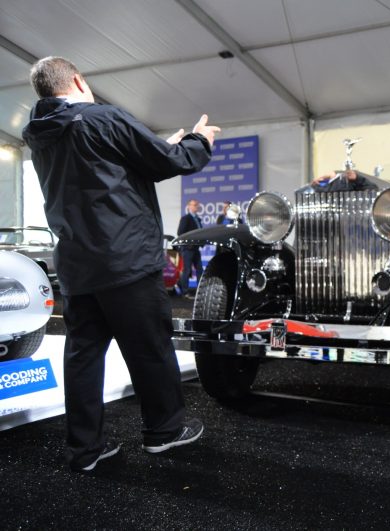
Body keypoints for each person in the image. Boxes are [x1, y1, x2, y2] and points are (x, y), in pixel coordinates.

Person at [22, 56, 219, 471]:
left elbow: (105, 169)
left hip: (77, 265)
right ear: (77, 80)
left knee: (83, 356)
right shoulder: (101, 118)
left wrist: (160, 147)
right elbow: (172, 161)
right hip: (125, 258)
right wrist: (198, 141)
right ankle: (163, 432)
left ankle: (85, 450)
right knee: (149, 348)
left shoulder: (36, 134)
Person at [177, 199, 204, 296]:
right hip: (188, 249)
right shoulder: (186, 218)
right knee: (187, 270)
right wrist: (188, 244)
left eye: (197, 205)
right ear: (189, 206)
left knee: (200, 269)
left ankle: (200, 291)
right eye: (194, 205)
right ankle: (184, 291)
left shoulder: (198, 219)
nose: (196, 206)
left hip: (196, 248)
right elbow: (180, 233)